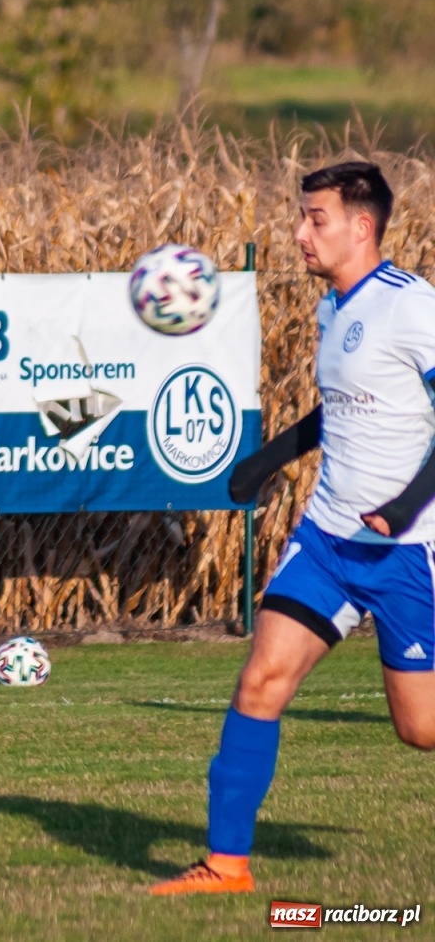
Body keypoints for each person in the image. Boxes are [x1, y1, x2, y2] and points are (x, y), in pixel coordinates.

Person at [151, 162, 435, 895]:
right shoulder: (332, 310)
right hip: (328, 541)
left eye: (316, 219)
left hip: (407, 552)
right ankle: (226, 866)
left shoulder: (412, 308)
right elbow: (338, 408)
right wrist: (265, 461)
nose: (300, 234)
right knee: (261, 682)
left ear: (361, 227)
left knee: (421, 730)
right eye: (302, 218)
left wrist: (404, 507)